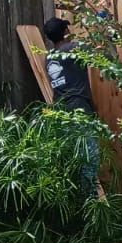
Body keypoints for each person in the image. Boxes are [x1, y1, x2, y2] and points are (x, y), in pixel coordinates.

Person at [42, 16, 101, 201]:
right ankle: (88, 202)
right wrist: (100, 20)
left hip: (61, 111)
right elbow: (98, 47)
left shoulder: (49, 57)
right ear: (65, 32)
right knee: (89, 156)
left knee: (72, 157)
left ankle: (73, 201)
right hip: (79, 109)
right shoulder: (73, 49)